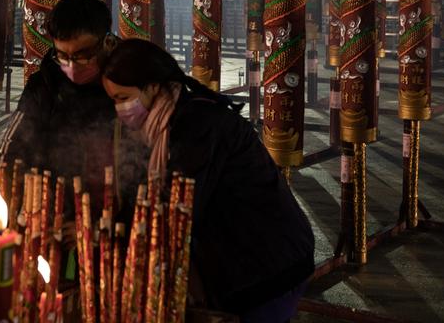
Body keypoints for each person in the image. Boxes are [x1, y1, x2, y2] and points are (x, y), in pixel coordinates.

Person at [102, 38, 314, 323]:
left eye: (122, 98)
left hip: (267, 261)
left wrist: (114, 233)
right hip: (236, 259)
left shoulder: (198, 126)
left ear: (152, 87)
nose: (119, 109)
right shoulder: (162, 122)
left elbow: (178, 205)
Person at [0, 0, 145, 219]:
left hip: (116, 216)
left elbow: (144, 161)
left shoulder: (131, 82)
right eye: (63, 55)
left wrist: (101, 223)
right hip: (56, 210)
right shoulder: (45, 84)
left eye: (82, 55)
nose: (72, 66)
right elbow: (15, 144)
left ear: (106, 41)